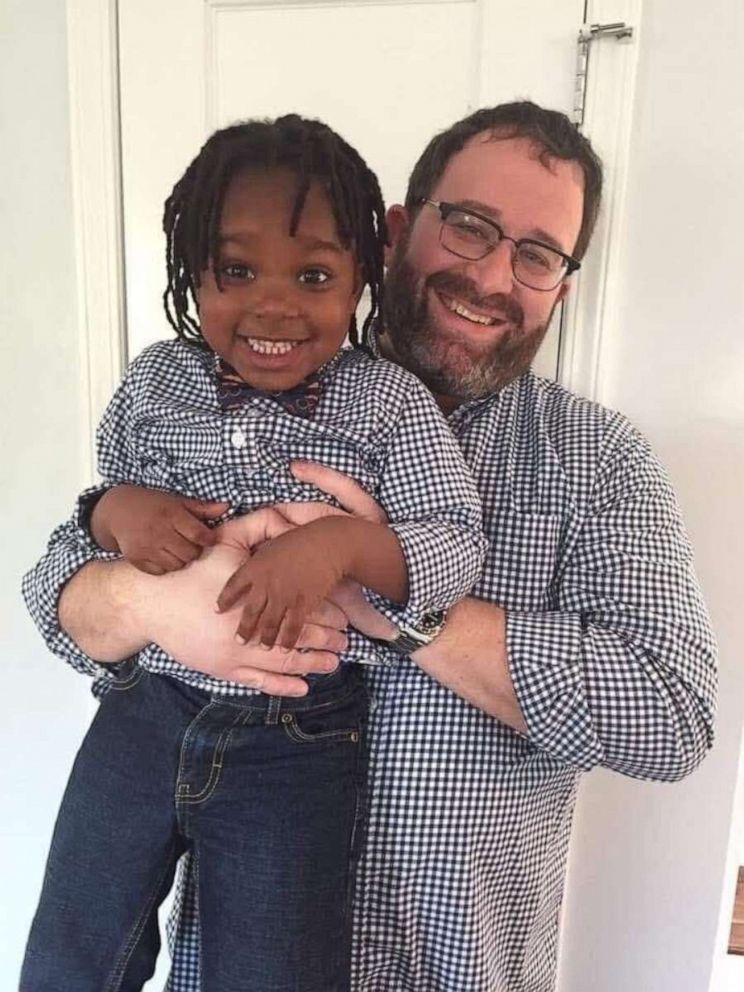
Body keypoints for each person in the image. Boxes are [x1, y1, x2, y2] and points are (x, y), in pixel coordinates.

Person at [23, 102, 717, 992]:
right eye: (471, 228)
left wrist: (391, 607)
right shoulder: (204, 388)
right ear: (395, 233)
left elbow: (672, 719)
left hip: (454, 971)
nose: (495, 275)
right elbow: (55, 589)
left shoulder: (597, 462)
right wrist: (150, 597)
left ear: (561, 284)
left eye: (537, 254)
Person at [19, 114, 487, 992]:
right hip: (142, 708)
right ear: (193, 272)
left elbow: (454, 542)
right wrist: (118, 511)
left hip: (295, 738)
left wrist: (341, 547)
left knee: (273, 969)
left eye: (313, 275)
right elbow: (97, 510)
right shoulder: (158, 379)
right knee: (71, 951)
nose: (273, 305)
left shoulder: (385, 402)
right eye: (236, 271)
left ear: (361, 280)